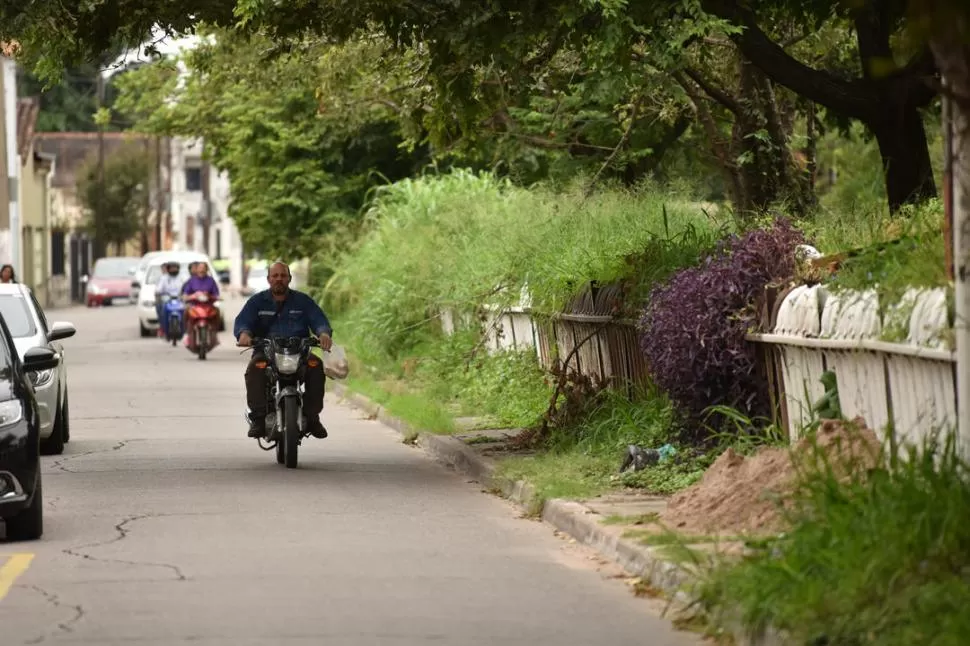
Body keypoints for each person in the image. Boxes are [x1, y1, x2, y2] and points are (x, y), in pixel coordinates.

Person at [234, 261, 333, 440]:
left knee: (316, 367)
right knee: (254, 369)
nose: (279, 279)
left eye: (283, 276)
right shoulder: (257, 301)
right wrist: (244, 334)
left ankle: (312, 417)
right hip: (267, 351)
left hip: (299, 352)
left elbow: (319, 320)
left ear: (289, 278)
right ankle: (258, 418)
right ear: (268, 279)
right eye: (275, 276)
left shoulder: (303, 301)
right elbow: (243, 322)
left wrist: (323, 333)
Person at [181, 262, 221, 347]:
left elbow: (216, 294)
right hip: (194, 305)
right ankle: (186, 334)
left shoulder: (211, 280)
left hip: (208, 305)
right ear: (197, 269)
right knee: (185, 312)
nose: (202, 270)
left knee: (217, 311)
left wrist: (212, 296)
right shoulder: (192, 280)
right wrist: (192, 295)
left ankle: (215, 334)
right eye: (200, 268)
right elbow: (185, 294)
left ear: (206, 270)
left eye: (204, 268)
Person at [154, 262, 183, 338]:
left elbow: (185, 287)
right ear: (168, 269)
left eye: (175, 268)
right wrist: (158, 292)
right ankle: (163, 327)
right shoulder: (164, 278)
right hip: (167, 299)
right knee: (162, 308)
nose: (174, 269)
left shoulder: (182, 277)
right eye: (172, 268)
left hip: (179, 299)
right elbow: (159, 289)